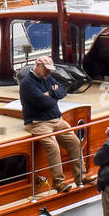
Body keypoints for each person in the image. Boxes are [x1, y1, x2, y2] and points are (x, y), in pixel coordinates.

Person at [18, 56, 86, 193]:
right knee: (53, 147)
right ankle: (59, 183)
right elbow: (44, 102)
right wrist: (52, 95)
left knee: (75, 142)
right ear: (39, 66)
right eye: (47, 69)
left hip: (57, 120)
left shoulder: (47, 78)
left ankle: (81, 177)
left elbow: (62, 90)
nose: (49, 73)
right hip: (38, 123)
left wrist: (51, 94)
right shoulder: (27, 84)